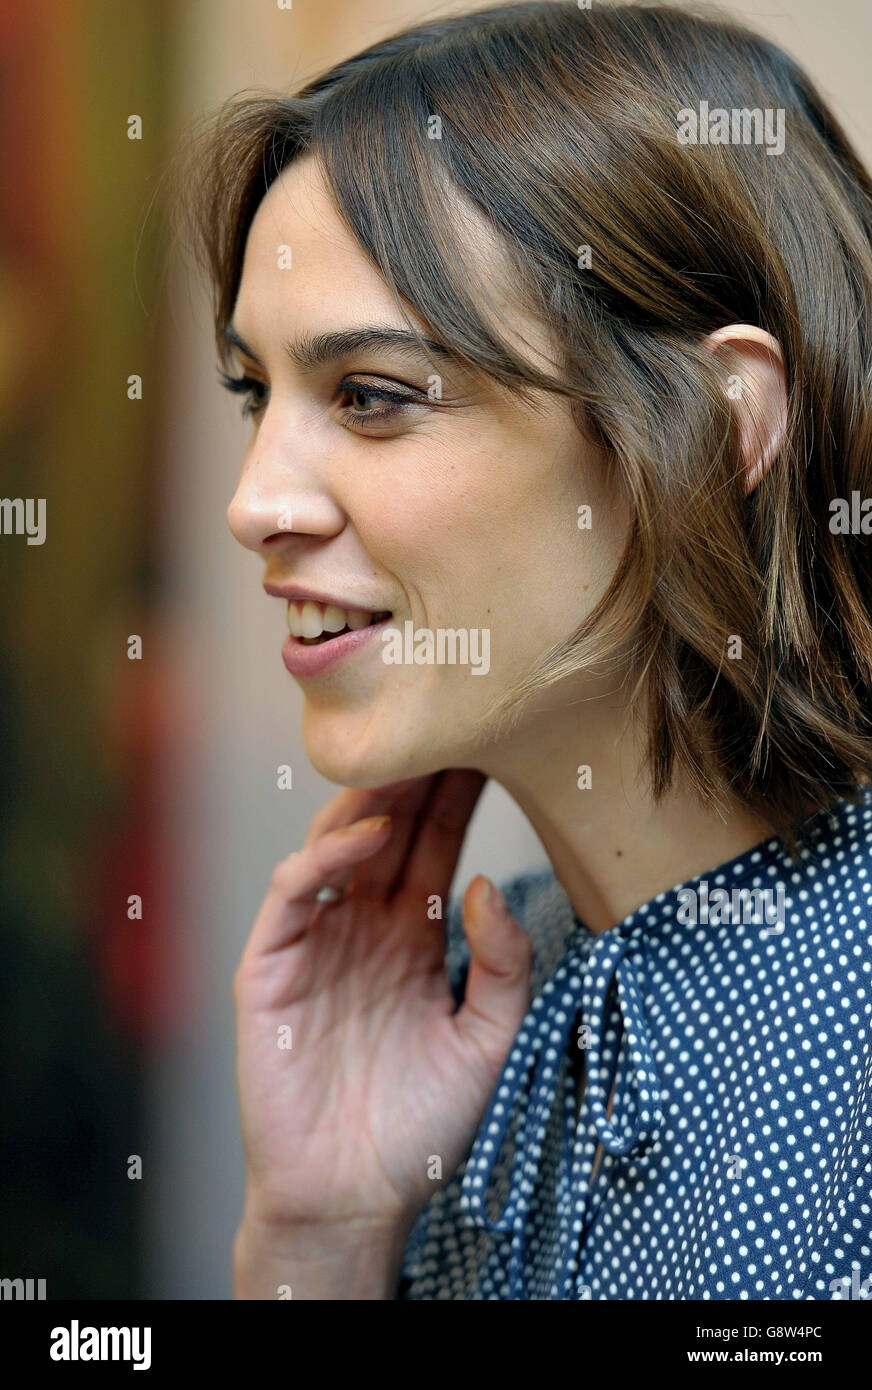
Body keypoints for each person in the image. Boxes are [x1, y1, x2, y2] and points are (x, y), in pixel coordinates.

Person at [176, 1, 872, 1298]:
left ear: (718, 432)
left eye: (372, 395)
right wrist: (321, 1237)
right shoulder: (470, 1009)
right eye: (255, 395)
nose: (254, 500)